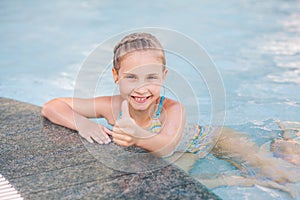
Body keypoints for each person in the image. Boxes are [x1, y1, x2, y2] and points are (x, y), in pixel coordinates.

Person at [42, 32, 300, 193]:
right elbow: (51, 106)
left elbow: (165, 145)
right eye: (131, 77)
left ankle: (287, 142)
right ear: (115, 76)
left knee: (280, 174)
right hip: (182, 155)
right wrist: (82, 123)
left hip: (213, 140)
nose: (141, 87)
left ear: (164, 77)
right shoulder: (108, 105)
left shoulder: (172, 109)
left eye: (151, 77)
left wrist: (136, 137)